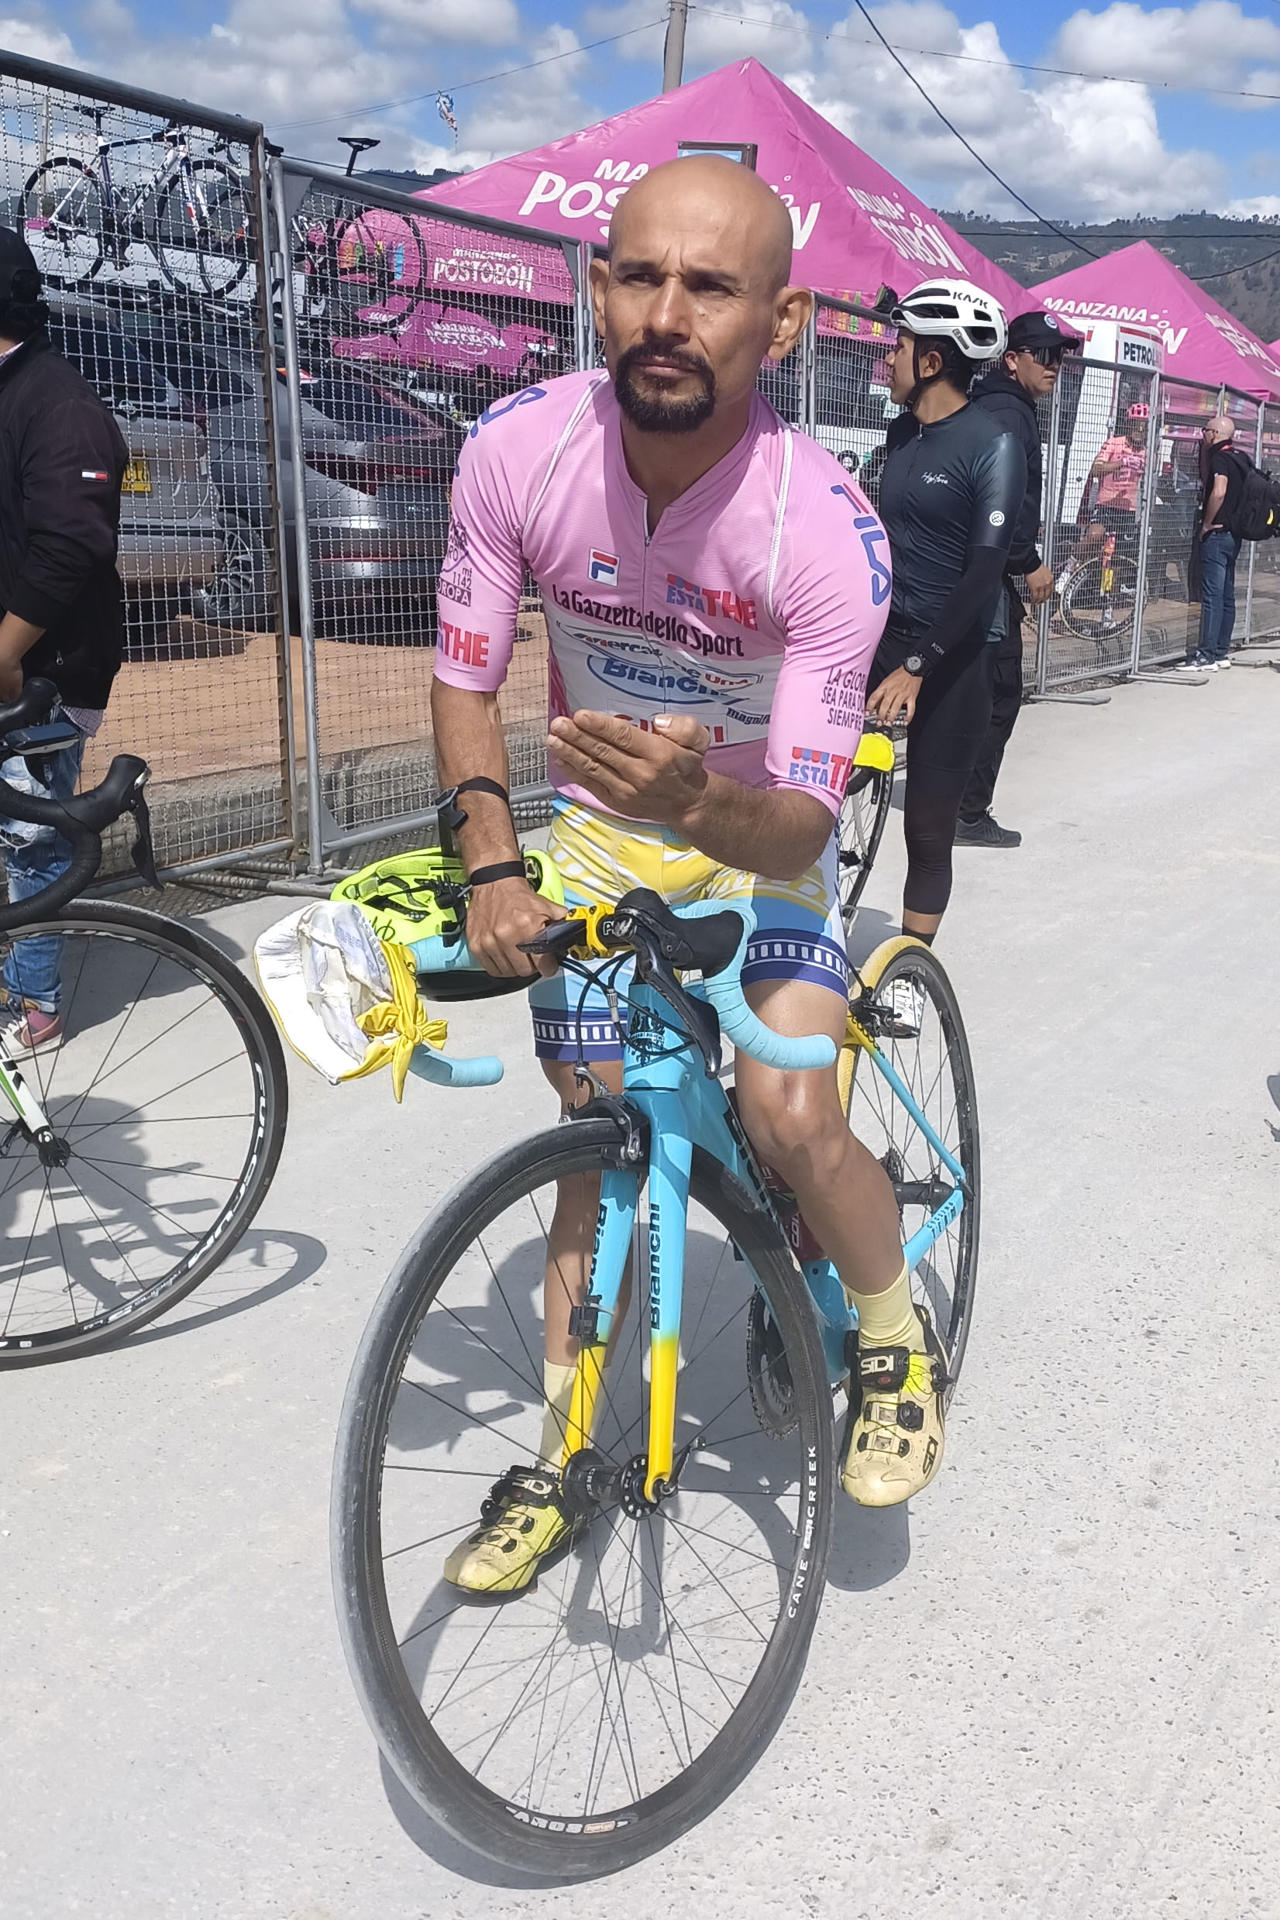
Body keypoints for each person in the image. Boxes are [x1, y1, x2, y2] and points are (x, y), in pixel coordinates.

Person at [430, 154, 946, 1594]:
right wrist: (490, 861)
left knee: (785, 1103)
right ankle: (565, 1444)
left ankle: (895, 1336)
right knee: (597, 1122)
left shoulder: (827, 528)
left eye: (711, 287)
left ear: (777, 327)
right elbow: (463, 681)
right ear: (598, 290)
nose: (667, 314)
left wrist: (701, 804)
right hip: (596, 830)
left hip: (760, 832)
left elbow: (797, 821)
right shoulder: (514, 450)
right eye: (639, 276)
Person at [864, 280, 1025, 946]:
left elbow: (985, 572)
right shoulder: (902, 433)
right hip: (887, 635)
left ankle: (911, 969)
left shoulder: (994, 442)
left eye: (899, 344)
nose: (889, 358)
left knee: (927, 828)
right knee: (809, 786)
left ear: (931, 361)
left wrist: (917, 666)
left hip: (958, 652)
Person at [0, 228, 126, 1053]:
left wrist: (5, 653)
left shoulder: (58, 402)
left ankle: (32, 1005)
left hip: (45, 671)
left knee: (35, 835)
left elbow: (71, 545)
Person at [955, 310, 1077, 849]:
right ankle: (967, 811)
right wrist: (1026, 562)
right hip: (994, 574)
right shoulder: (1009, 413)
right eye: (1044, 356)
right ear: (1012, 359)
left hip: (977, 571)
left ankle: (951, 797)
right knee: (1001, 693)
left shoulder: (1000, 405)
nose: (1055, 366)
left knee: (968, 687)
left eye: (1061, 357)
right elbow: (1000, 501)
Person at [1178, 414, 1244, 672]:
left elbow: (1219, 490)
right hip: (1234, 535)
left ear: (1215, 434)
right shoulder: (1242, 458)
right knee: (1227, 595)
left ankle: (1205, 655)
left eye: (1205, 430)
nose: (1203, 435)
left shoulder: (1220, 458)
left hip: (1217, 535)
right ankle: (1220, 651)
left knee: (1212, 596)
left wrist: (1206, 523)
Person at [1057, 402, 1148, 590]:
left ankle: (1107, 604)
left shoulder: (1148, 452)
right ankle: (1069, 568)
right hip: (1106, 503)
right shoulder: (1114, 443)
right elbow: (1095, 469)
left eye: (1143, 426)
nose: (1139, 429)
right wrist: (1121, 463)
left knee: (1113, 560)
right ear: (1128, 424)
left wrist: (1145, 468)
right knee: (1094, 535)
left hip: (1129, 510)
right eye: (1135, 424)